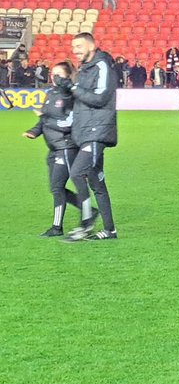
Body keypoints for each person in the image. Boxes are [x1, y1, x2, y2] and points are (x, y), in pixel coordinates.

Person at [24, 62, 93, 237]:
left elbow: (67, 125)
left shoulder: (71, 97)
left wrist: (44, 117)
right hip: (53, 148)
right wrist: (34, 131)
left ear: (67, 76)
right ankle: (88, 211)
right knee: (56, 188)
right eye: (52, 73)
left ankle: (57, 227)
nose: (54, 77)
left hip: (65, 147)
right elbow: (44, 121)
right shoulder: (50, 94)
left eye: (58, 74)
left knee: (57, 187)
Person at [64, 33, 119, 241]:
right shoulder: (84, 70)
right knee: (97, 183)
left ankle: (86, 224)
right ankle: (110, 230)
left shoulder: (102, 65)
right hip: (86, 132)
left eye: (79, 45)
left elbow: (101, 97)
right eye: (73, 47)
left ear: (92, 45)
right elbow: (80, 102)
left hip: (97, 132)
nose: (75, 50)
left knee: (78, 173)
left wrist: (72, 87)